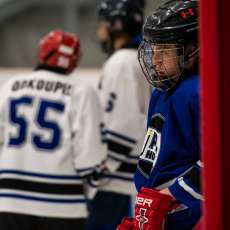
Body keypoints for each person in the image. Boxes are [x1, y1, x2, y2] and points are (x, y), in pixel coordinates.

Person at [0, 30, 106, 230]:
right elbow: (90, 158)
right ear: (74, 60)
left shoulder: (10, 86)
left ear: (43, 52)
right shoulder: (82, 91)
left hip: (10, 201)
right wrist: (91, 189)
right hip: (63, 205)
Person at [118, 0, 202, 229]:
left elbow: (217, 161)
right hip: (159, 211)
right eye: (154, 49)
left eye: (164, 51)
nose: (154, 60)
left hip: (187, 212)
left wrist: (170, 195)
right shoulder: (162, 91)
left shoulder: (199, 92)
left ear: (192, 49)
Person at [86, 0, 151, 229]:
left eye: (104, 23)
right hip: (127, 178)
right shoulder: (135, 59)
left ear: (117, 25)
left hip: (115, 183)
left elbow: (124, 123)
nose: (99, 30)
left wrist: (101, 170)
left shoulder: (121, 63)